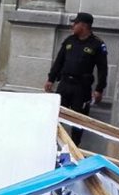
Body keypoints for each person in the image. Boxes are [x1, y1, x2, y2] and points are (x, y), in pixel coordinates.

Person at [44, 12, 108, 146]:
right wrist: (51, 79)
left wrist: (99, 89)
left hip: (81, 88)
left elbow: (103, 69)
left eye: (75, 23)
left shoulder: (97, 44)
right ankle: (53, 146)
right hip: (65, 84)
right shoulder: (69, 40)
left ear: (83, 25)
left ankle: (74, 149)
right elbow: (59, 61)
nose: (72, 25)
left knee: (78, 120)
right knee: (56, 116)